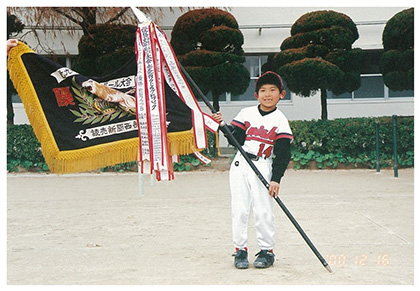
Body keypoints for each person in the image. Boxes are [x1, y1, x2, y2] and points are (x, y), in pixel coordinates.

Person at [212, 71, 293, 269]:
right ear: (256, 95)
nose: (267, 94)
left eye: (272, 90)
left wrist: (276, 179)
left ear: (281, 94)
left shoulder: (281, 120)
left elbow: (283, 154)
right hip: (241, 164)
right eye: (263, 90)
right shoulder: (246, 113)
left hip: (262, 165)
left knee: (263, 210)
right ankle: (240, 250)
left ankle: (267, 251)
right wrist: (223, 125)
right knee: (239, 210)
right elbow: (236, 139)